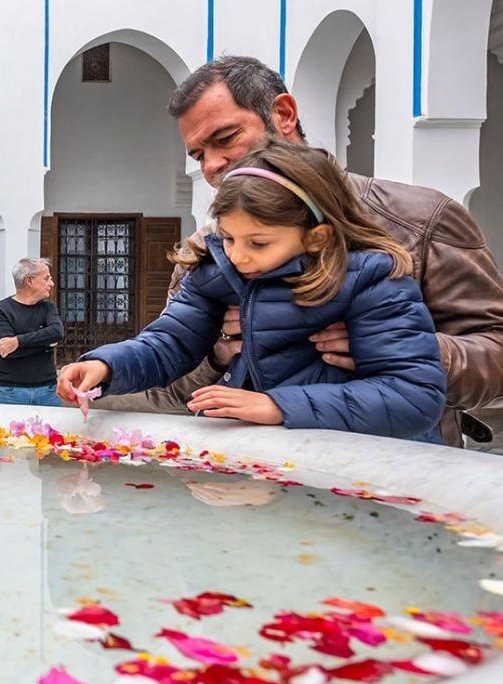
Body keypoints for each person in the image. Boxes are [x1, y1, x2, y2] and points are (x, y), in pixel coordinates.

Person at [149, 55, 503, 446]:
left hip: (392, 471)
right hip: (247, 474)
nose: (213, 165)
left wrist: (399, 345)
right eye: (199, 155)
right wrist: (218, 350)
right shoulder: (209, 252)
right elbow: (166, 391)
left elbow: (496, 351)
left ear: (284, 114)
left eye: (225, 138)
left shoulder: (419, 220)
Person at [58, 142, 446, 443]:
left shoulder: (374, 279)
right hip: (275, 457)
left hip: (364, 466)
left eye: (259, 243)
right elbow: (170, 342)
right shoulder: (217, 271)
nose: (238, 256)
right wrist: (107, 367)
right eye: (228, 237)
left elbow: (414, 396)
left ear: (316, 237)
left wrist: (278, 406)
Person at [0, 258, 63, 407]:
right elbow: (6, 351)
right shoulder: (1, 310)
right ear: (29, 281)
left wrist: (18, 341)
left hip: (48, 391)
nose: (52, 284)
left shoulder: (48, 307)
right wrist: (45, 342)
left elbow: (56, 332)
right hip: (10, 392)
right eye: (46, 278)